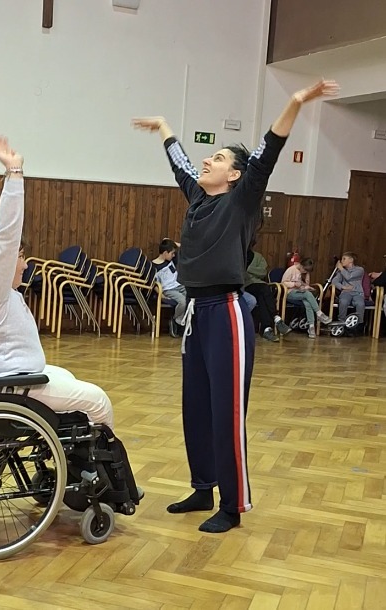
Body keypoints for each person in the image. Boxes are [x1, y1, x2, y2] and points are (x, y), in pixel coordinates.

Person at [132, 79, 340, 533]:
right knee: (196, 407)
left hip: (227, 313)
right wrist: (165, 128)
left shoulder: (242, 200)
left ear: (235, 176)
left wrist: (296, 101)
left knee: (226, 411)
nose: (208, 160)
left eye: (219, 158)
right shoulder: (198, 197)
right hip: (196, 315)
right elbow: (181, 164)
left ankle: (232, 505)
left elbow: (269, 150)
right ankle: (202, 487)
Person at [0, 138, 114, 429]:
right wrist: (15, 173)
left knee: (65, 376)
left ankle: (68, 448)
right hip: (10, 384)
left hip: (2, 374)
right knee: (98, 400)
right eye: (20, 257)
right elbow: (6, 236)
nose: (25, 264)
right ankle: (102, 456)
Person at [244, 247, 291, 342]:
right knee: (264, 289)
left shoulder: (258, 257)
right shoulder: (241, 256)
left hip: (259, 286)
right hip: (246, 286)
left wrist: (248, 269)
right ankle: (276, 317)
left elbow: (263, 272)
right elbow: (242, 273)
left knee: (263, 297)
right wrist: (252, 270)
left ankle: (266, 329)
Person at [281, 257, 331, 338]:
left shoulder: (302, 272)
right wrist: (294, 284)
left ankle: (311, 327)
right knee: (307, 294)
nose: (305, 272)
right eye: (304, 270)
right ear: (301, 265)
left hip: (299, 292)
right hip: (289, 293)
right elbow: (283, 283)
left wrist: (306, 286)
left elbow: (301, 283)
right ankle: (319, 313)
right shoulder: (291, 270)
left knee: (307, 303)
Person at [152, 238, 187, 337]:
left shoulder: (171, 260)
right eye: (172, 253)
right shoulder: (154, 266)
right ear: (165, 253)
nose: (174, 255)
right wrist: (161, 294)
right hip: (168, 290)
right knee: (183, 301)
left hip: (180, 285)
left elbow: (183, 248)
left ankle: (184, 321)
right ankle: (176, 320)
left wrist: (171, 242)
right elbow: (153, 284)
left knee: (192, 298)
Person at [331, 252, 365, 325]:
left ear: (351, 260)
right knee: (343, 301)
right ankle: (341, 322)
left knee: (360, 304)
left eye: (344, 259)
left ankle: (358, 324)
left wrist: (341, 268)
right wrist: (343, 287)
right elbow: (334, 281)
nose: (342, 261)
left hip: (357, 292)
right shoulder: (341, 271)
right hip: (346, 292)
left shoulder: (359, 270)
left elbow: (349, 277)